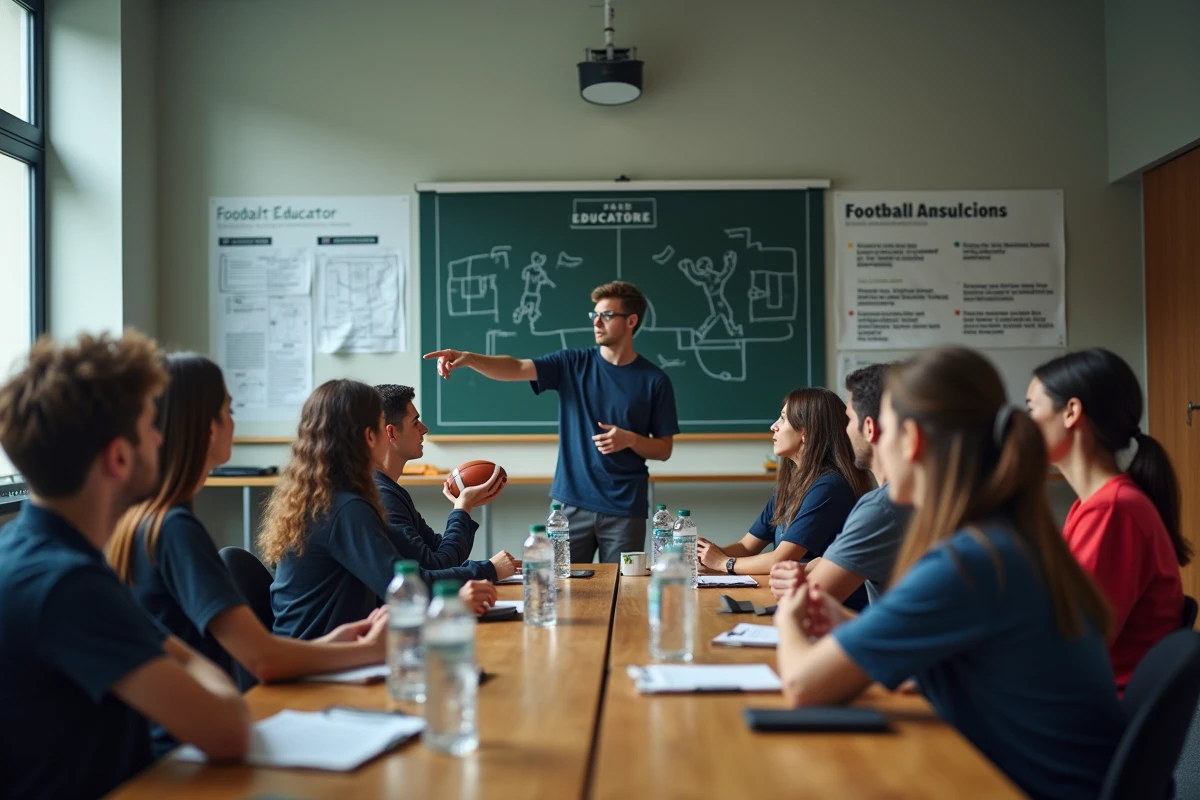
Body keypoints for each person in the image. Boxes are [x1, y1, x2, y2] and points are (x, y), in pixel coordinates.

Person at [775, 347, 1122, 800]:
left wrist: (787, 618)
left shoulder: (968, 561)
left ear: (911, 440)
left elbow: (803, 685)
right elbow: (929, 672)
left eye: (885, 430)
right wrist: (851, 627)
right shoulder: (1001, 537)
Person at [0, 331, 250, 799]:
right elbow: (228, 728)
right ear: (118, 457)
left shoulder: (25, 551)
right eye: (151, 426)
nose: (160, 437)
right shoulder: (69, 585)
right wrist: (192, 663)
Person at [106, 354, 388, 753]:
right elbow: (264, 661)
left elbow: (258, 653)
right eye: (229, 410)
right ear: (207, 428)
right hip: (191, 750)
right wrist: (369, 651)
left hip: (189, 738)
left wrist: (334, 644)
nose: (233, 422)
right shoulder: (174, 529)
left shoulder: (144, 519)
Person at [425, 280, 679, 563]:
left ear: (631, 321)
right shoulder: (572, 363)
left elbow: (664, 449)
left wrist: (630, 439)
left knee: (624, 585)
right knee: (558, 583)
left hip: (625, 508)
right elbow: (516, 367)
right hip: (569, 505)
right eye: (594, 314)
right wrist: (470, 358)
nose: (596, 322)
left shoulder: (655, 380)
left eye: (607, 315)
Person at [261, 379, 496, 641]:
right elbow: (401, 588)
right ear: (371, 436)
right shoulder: (346, 508)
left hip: (325, 647)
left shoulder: (327, 495)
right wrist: (478, 578)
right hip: (320, 657)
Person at [1028, 348, 1188, 693]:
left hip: (1096, 707)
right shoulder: (1094, 506)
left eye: (1032, 409)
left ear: (1071, 412)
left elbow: (1074, 644)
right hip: (1082, 697)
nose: (1025, 426)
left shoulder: (1113, 511)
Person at [695, 388, 871, 606]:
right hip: (799, 600)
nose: (774, 426)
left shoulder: (829, 487)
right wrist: (704, 555)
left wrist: (724, 563)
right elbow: (747, 546)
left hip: (831, 610)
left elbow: (783, 558)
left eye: (783, 419)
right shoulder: (790, 485)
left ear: (805, 432)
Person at [768, 364, 911, 605]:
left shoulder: (882, 507)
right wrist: (813, 567)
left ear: (869, 428)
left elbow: (805, 604)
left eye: (849, 419)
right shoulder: (913, 500)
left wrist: (801, 578)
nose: (843, 429)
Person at [373, 383, 517, 581]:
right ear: (391, 433)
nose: (424, 429)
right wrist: (489, 569)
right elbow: (436, 567)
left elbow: (440, 554)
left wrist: (463, 507)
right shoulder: (383, 497)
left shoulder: (391, 491)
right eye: (415, 423)